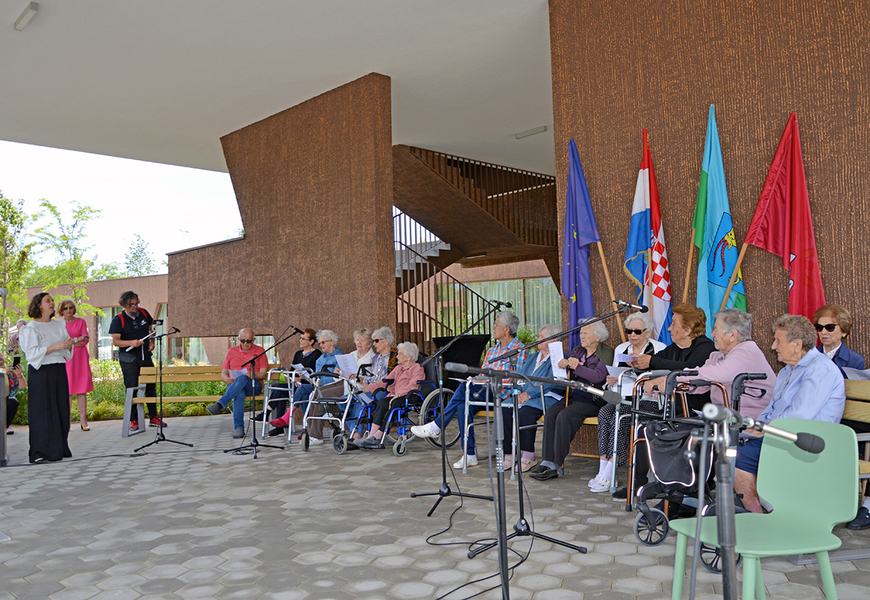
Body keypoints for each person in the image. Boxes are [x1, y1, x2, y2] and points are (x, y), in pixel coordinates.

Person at [734, 314, 846, 513]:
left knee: (737, 456)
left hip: (806, 440)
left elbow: (800, 416)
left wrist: (764, 430)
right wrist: (756, 426)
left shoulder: (819, 370)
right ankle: (761, 513)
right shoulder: (787, 370)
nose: (773, 346)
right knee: (727, 442)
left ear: (797, 344)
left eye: (778, 340)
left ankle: (760, 517)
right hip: (782, 434)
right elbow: (771, 409)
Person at [599, 304, 715, 495]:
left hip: (695, 412)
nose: (669, 328)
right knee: (643, 427)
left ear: (688, 330)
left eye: (674, 324)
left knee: (647, 424)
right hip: (671, 409)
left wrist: (652, 362)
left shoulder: (705, 347)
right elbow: (656, 362)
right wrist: (638, 365)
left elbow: (688, 368)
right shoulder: (674, 348)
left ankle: (675, 486)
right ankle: (638, 483)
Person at [411, 311, 528, 469]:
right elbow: (482, 373)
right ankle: (469, 454)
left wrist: (490, 380)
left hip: (501, 393)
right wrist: (478, 379)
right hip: (483, 391)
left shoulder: (519, 349)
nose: (493, 327)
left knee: (463, 389)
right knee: (462, 405)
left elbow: (515, 378)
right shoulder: (492, 350)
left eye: (496, 324)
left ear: (506, 329)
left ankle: (437, 426)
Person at [586, 312, 665, 491]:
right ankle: (603, 466)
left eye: (637, 331)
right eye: (629, 331)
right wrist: (611, 380)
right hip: (623, 396)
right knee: (605, 412)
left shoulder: (659, 348)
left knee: (619, 417)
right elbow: (614, 375)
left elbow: (662, 378)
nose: (633, 335)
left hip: (648, 400)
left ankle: (611, 470)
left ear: (648, 331)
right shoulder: (621, 349)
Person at [525, 323, 605, 480]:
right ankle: (547, 461)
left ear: (597, 337)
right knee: (551, 413)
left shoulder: (604, 353)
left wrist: (576, 367)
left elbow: (598, 377)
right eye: (581, 333)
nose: (582, 336)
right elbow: (566, 370)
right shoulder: (578, 351)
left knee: (564, 416)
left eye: (586, 334)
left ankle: (556, 464)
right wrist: (563, 365)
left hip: (592, 399)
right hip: (574, 395)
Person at [18, 293, 74, 463]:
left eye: (52, 300)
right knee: (42, 412)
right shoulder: (31, 328)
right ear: (39, 306)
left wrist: (67, 345)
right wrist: (54, 347)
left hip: (58, 368)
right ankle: (38, 452)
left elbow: (66, 351)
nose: (52, 303)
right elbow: (32, 354)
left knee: (61, 408)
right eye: (47, 301)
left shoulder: (59, 324)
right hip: (41, 371)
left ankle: (59, 448)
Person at [269, 329, 342, 445]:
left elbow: (338, 378)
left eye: (323, 342)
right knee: (303, 390)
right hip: (316, 387)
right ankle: (308, 430)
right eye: (320, 343)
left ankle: (289, 417)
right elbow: (316, 376)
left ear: (332, 342)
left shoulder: (339, 357)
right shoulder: (320, 359)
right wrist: (310, 379)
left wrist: (318, 380)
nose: (321, 345)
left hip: (333, 388)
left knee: (304, 390)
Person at [109, 291, 167, 430]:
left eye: (136, 303)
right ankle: (133, 419)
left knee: (151, 386)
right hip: (129, 358)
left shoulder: (144, 313)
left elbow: (151, 329)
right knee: (132, 387)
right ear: (124, 305)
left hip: (145, 356)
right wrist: (131, 343)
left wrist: (152, 341)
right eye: (131, 305)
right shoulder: (118, 320)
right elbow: (116, 341)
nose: (135, 307)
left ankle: (153, 416)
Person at [354, 342, 425, 449]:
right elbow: (384, 382)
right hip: (397, 396)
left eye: (400, 354)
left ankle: (378, 436)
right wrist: (366, 389)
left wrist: (399, 394)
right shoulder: (398, 368)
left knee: (396, 403)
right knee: (382, 402)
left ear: (409, 357)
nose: (397, 356)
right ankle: (372, 436)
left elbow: (413, 386)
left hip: (412, 396)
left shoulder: (417, 368)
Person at [206, 328, 268, 438]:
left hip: (254, 385)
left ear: (254, 340)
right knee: (239, 393)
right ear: (238, 339)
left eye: (248, 341)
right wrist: (226, 379)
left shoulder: (260, 351)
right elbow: (224, 372)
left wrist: (253, 374)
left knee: (243, 379)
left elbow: (264, 374)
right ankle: (239, 429)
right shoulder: (231, 351)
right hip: (235, 386)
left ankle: (220, 404)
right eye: (242, 340)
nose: (245, 343)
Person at [266, 327, 321, 434]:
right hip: (295, 385)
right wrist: (294, 378)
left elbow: (316, 372)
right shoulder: (298, 354)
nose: (300, 340)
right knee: (280, 390)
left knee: (280, 390)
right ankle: (279, 425)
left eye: (303, 339)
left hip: (306, 386)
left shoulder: (317, 354)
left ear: (311, 341)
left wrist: (302, 377)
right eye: (300, 338)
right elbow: (292, 371)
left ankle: (268, 413)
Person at [59, 299, 94, 431]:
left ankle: (83, 420)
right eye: (65, 308)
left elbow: (85, 340)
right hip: (65, 359)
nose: (68, 311)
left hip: (80, 359)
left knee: (81, 389)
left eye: (70, 308)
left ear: (74, 309)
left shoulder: (81, 322)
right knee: (66, 390)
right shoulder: (58, 324)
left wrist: (72, 342)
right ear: (61, 310)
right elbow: (61, 342)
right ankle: (66, 421)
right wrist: (76, 340)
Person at [813, 304, 865, 372]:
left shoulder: (855, 361)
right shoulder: (808, 355)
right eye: (819, 327)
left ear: (844, 331)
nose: (823, 332)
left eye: (830, 327)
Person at [2, 354, 27, 435]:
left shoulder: (9, 372)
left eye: (1, 359)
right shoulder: (4, 372)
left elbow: (22, 386)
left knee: (13, 401)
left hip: (5, 398)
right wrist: (2, 375)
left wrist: (19, 374)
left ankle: (6, 426)